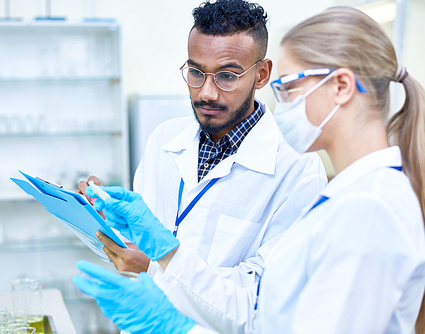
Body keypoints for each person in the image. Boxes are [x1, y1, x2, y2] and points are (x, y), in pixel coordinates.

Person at [73, 5, 425, 334]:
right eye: (196, 72)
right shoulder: (352, 197)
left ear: (342, 87)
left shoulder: (369, 209)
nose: (283, 104)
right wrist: (147, 249)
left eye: (288, 89)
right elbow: (270, 313)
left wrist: (175, 326)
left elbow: (259, 309)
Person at [78, 0, 326, 329]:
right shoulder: (164, 140)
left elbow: (263, 303)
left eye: (227, 75)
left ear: (262, 74)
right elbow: (137, 245)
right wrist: (105, 222)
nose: (206, 92)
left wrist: (152, 268)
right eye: (196, 72)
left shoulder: (298, 171)